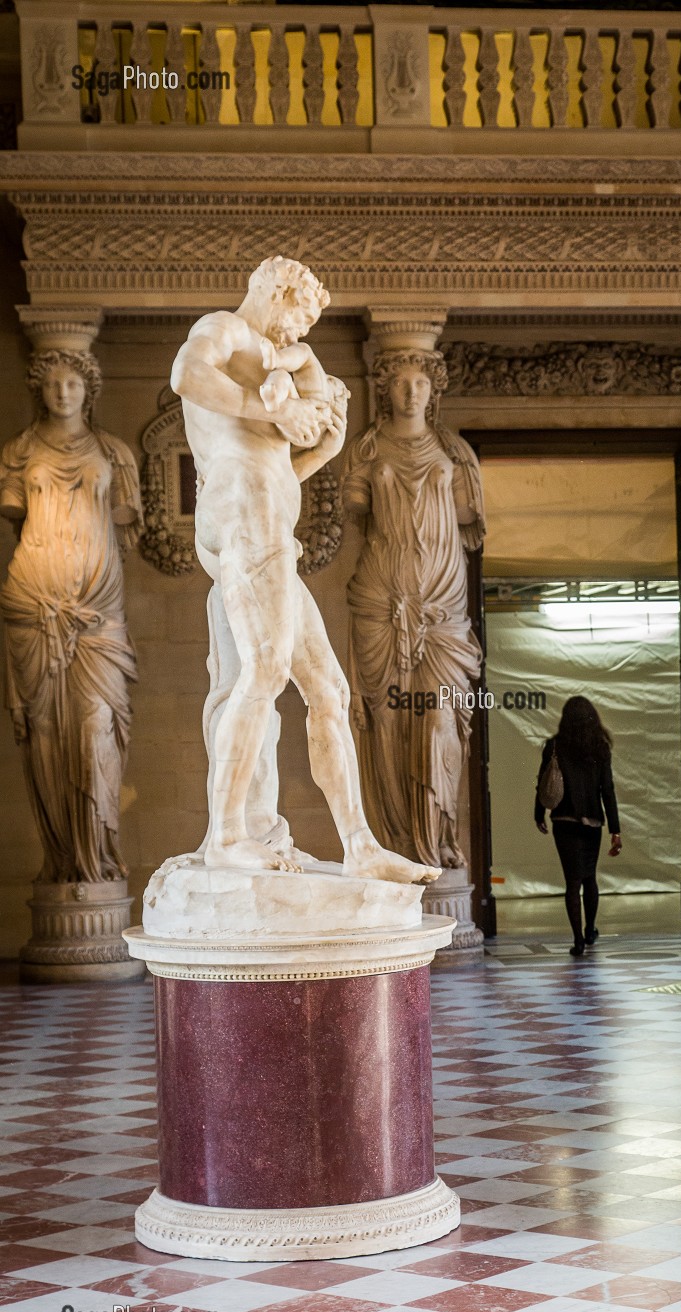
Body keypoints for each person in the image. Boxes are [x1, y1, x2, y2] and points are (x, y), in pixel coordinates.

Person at [170, 255, 439, 885]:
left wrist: (323, 446)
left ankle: (360, 846)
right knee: (264, 671)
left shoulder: (273, 365)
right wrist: (275, 413)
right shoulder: (227, 331)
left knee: (330, 691)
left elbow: (279, 471)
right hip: (241, 521)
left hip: (269, 528)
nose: (300, 333)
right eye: (300, 317)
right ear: (275, 293)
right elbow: (186, 374)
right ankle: (228, 838)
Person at [0, 350, 141, 885]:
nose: (63, 392)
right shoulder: (18, 452)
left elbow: (124, 517)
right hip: (33, 607)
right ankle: (64, 867)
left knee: (96, 728)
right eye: (53, 383)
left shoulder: (113, 452)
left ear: (90, 390)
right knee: (45, 738)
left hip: (99, 617)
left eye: (74, 383)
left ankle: (99, 857)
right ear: (39, 389)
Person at [343, 350, 484, 868]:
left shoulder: (454, 451)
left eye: (419, 383)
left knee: (438, 723)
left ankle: (438, 838)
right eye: (400, 383)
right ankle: (400, 843)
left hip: (443, 609)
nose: (410, 393)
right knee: (385, 728)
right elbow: (356, 508)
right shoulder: (366, 449)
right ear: (386, 390)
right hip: (381, 604)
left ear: (433, 389)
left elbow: (469, 515)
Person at [535, 696, 621, 956]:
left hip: (564, 821)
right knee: (589, 878)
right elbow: (608, 790)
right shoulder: (600, 747)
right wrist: (615, 830)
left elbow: (543, 783)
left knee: (572, 882)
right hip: (592, 822)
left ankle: (578, 941)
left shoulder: (554, 745)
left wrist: (538, 814)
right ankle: (590, 929)